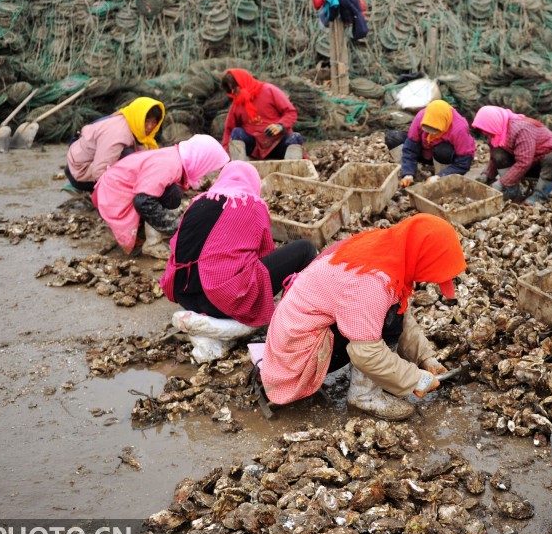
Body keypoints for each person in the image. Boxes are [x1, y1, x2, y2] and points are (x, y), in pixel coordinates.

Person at [261, 214, 467, 421]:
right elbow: (366, 354)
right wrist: (415, 380)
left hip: (292, 331)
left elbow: (400, 307)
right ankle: (365, 397)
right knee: (387, 321)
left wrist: (424, 358)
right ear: (422, 257)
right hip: (295, 356)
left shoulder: (386, 249)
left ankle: (381, 382)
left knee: (391, 312)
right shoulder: (372, 283)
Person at [159, 161, 318, 359]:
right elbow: (264, 253)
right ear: (253, 183)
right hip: (221, 298)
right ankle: (292, 317)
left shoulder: (197, 202)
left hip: (183, 296)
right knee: (305, 249)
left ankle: (208, 326)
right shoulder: (251, 203)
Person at [92, 134, 229, 259]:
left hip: (119, 188)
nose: (207, 172)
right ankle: (152, 243)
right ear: (202, 159)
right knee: (164, 196)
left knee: (173, 194)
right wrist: (178, 227)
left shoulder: (176, 157)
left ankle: (145, 232)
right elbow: (143, 200)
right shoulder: (169, 164)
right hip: (113, 195)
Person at [471, 105, 552, 205]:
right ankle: (513, 191)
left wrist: (501, 183)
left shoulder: (521, 129)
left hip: (549, 165)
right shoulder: (496, 133)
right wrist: (486, 175)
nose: (485, 133)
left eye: (486, 129)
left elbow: (524, 162)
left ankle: (539, 197)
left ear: (493, 122)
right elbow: (495, 158)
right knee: (498, 151)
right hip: (529, 163)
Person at [65, 97, 165, 192]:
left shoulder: (133, 123)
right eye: (146, 121)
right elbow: (99, 171)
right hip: (79, 173)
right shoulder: (118, 133)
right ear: (138, 117)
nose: (150, 127)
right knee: (129, 157)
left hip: (91, 164)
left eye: (154, 122)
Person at [384, 100, 476, 187]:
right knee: (393, 137)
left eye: (434, 131)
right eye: (427, 130)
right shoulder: (421, 117)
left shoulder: (459, 128)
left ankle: (441, 179)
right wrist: (408, 173)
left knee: (443, 151)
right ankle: (413, 172)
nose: (430, 134)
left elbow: (463, 163)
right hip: (424, 151)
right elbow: (410, 148)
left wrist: (440, 176)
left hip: (442, 156)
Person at [220, 68, 304, 161]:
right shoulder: (237, 104)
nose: (233, 93)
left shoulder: (269, 90)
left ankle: (291, 172)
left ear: (242, 82)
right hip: (255, 148)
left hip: (277, 143)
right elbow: (229, 130)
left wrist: (280, 126)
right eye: (230, 90)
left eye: (234, 88)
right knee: (237, 133)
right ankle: (239, 169)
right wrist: (226, 157)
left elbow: (290, 112)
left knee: (295, 138)